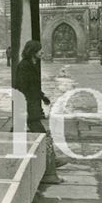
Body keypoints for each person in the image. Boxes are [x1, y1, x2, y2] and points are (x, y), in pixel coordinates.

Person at [14, 39, 67, 168]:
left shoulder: (32, 64)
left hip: (33, 104)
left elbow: (34, 86)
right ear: (33, 51)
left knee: (38, 135)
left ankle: (44, 162)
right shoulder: (24, 66)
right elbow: (22, 87)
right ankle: (50, 162)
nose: (42, 51)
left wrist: (43, 97)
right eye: (39, 49)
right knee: (41, 135)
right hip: (29, 106)